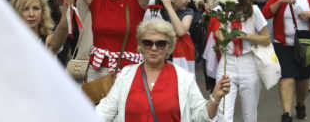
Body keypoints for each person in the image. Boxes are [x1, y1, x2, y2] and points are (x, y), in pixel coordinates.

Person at [96, 18, 231, 122]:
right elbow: (104, 112)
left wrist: (215, 98)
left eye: (160, 43)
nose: (154, 48)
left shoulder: (184, 77)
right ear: (140, 46)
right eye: (147, 43)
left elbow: (201, 117)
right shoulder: (126, 74)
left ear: (169, 46)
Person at [206, 0, 270, 122]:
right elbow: (221, 38)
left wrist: (246, 36)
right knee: (223, 114)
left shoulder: (253, 10)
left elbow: (267, 39)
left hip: (249, 62)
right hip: (227, 62)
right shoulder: (218, 12)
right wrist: (225, 12)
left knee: (249, 114)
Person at [10, 0, 74, 54]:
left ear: (43, 12)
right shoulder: (8, 40)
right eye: (25, 9)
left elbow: (64, 26)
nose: (31, 14)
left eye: (36, 8)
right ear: (17, 11)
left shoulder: (48, 42)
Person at [159, 0, 196, 74]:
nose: (189, 0)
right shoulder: (158, 10)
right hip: (160, 55)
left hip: (180, 58)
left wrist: (169, 7)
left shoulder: (188, 11)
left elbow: (181, 31)